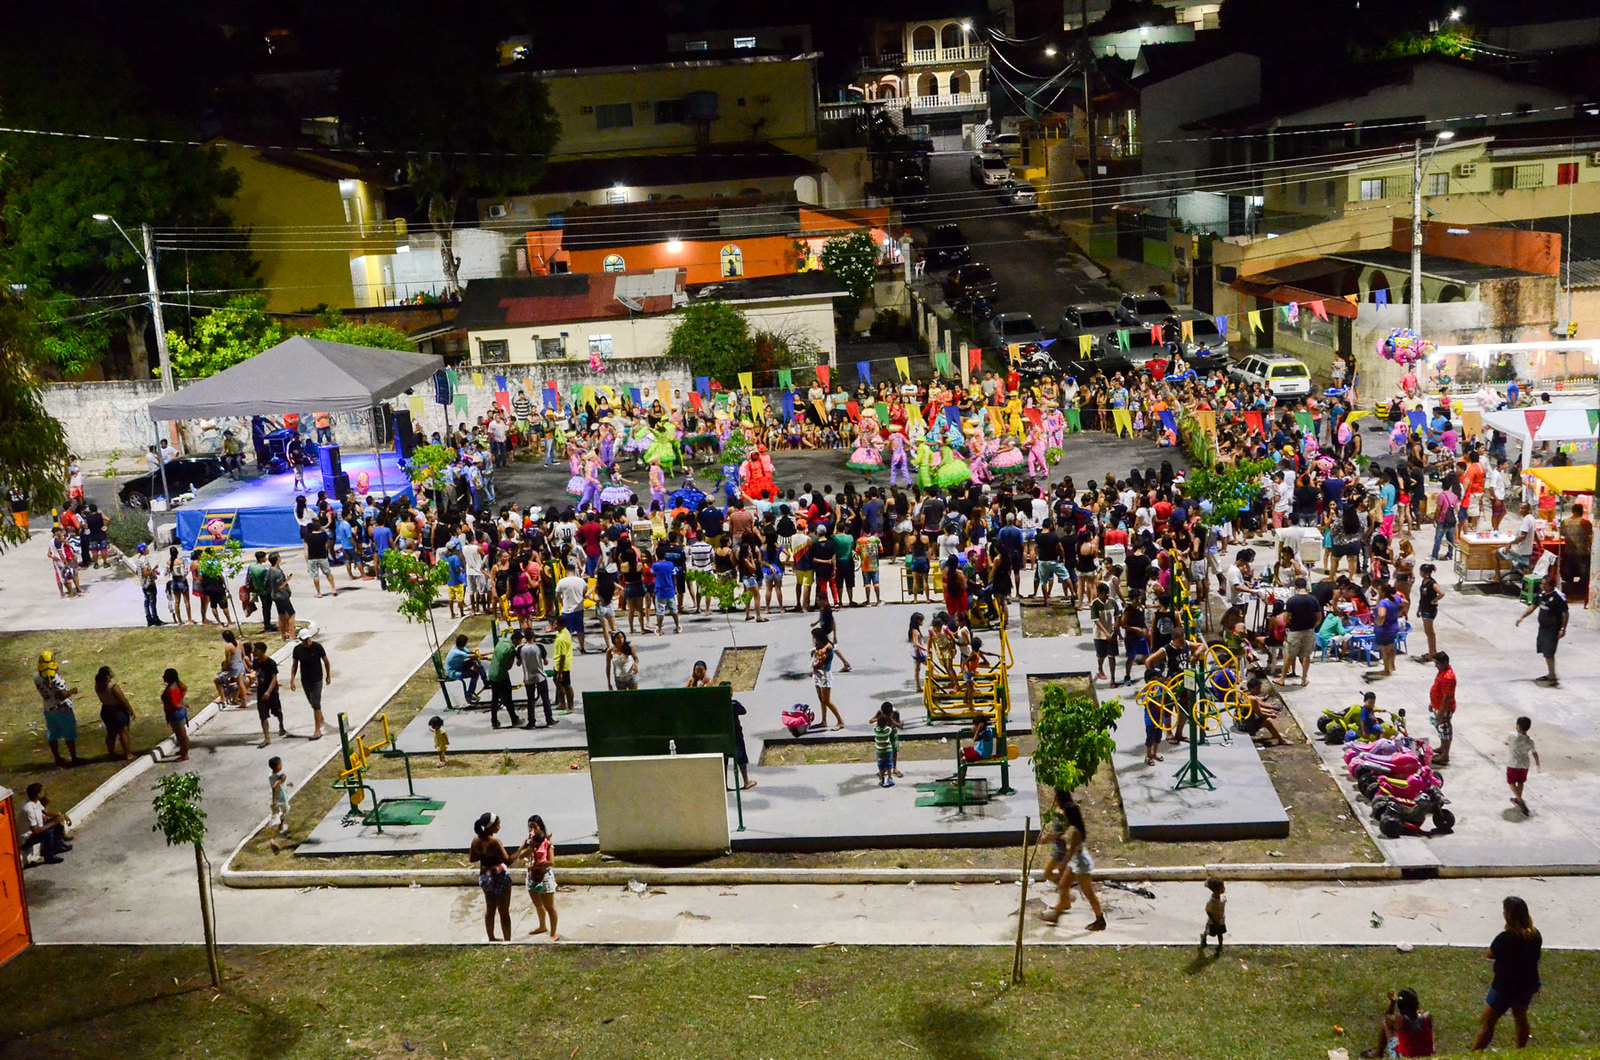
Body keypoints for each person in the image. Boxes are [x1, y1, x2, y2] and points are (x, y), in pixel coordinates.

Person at [1470, 896, 1542, 1051]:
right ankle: (1520, 1050)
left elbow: (1490, 954)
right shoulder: (1535, 935)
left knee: (1488, 1021)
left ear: (1508, 915)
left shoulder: (1505, 938)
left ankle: (1475, 1053)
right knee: (1520, 1017)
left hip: (1505, 986)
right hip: (1527, 984)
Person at [1040, 789, 1106, 931]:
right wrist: (1052, 836)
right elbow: (1064, 839)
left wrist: (1063, 864)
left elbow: (1070, 851)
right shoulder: (1072, 829)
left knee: (1089, 893)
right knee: (1063, 886)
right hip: (1075, 861)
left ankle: (1100, 919)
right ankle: (1056, 914)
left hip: (1080, 863)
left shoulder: (1075, 833)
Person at [1515, 571, 1568, 687]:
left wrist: (1563, 629)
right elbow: (1533, 606)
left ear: (1551, 585)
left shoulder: (1558, 597)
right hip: (1543, 628)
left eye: (1544, 584)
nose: (1541, 586)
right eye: (1541, 584)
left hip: (1553, 629)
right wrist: (1521, 618)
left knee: (1549, 652)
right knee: (1544, 650)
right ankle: (1551, 673)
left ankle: (1552, 675)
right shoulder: (1542, 594)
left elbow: (1565, 614)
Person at [468, 813, 515, 942]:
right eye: (498, 825)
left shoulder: (476, 840)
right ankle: (507, 941)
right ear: (491, 827)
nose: (499, 827)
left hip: (484, 877)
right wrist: (521, 849)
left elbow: (472, 858)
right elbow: (508, 860)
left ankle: (491, 937)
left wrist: (484, 854)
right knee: (504, 912)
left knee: (490, 909)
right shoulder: (495, 842)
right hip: (498, 878)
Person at [33, 651, 82, 768]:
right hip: (62, 709)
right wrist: (72, 691)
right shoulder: (54, 679)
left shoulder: (36, 676)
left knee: (53, 734)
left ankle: (57, 758)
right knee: (69, 734)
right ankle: (74, 758)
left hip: (48, 708)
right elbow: (62, 694)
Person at [514, 814, 559, 940]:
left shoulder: (547, 843)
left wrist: (538, 865)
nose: (531, 830)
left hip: (544, 877)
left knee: (549, 906)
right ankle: (542, 926)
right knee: (538, 904)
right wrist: (530, 847)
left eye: (534, 827)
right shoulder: (530, 841)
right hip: (531, 876)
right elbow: (520, 855)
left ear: (540, 826)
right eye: (529, 828)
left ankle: (553, 933)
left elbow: (551, 862)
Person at [1362, 988, 1436, 1059]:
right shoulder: (1427, 1017)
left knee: (1385, 1025)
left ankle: (1378, 1053)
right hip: (1428, 1056)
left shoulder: (1399, 1021)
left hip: (1406, 1057)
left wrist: (1392, 1002)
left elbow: (1387, 1018)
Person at [289, 628, 330, 740]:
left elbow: (326, 661)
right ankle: (320, 718)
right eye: (304, 640)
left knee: (316, 702)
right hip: (305, 680)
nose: (307, 642)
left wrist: (328, 675)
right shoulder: (297, 650)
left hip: (317, 679)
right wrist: (292, 680)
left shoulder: (317, 647)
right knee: (312, 702)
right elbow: (294, 665)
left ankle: (317, 730)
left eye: (308, 639)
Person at [1282, 577, 1321, 687]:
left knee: (1290, 655)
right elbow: (1319, 617)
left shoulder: (1292, 600)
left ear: (1296, 587)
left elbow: (1286, 618)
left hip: (1295, 631)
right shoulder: (1313, 600)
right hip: (1309, 631)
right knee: (1306, 656)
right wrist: (1313, 626)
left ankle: (1282, 678)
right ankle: (1304, 679)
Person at [19, 783, 70, 865]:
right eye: (41, 792)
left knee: (56, 823)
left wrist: (58, 815)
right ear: (38, 794)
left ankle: (57, 845)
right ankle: (49, 857)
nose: (43, 793)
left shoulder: (36, 802)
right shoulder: (29, 809)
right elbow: (35, 831)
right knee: (47, 833)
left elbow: (46, 812)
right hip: (27, 838)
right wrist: (53, 823)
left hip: (38, 829)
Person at [93, 666, 135, 761]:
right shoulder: (113, 687)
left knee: (111, 733)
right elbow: (123, 700)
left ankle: (111, 753)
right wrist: (131, 710)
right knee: (123, 732)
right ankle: (128, 754)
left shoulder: (98, 686)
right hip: (117, 710)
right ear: (108, 676)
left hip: (106, 710)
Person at [252, 641, 287, 746]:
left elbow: (274, 679)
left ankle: (281, 725)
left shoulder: (270, 663)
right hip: (260, 692)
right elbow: (257, 673)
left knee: (277, 711)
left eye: (255, 650)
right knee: (263, 715)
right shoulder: (256, 662)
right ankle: (267, 738)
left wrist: (268, 692)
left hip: (272, 692)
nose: (253, 652)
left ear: (261, 651)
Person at [486, 628, 521, 729]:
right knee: (508, 698)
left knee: (495, 698)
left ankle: (494, 720)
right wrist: (514, 656)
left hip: (492, 673)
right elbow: (508, 667)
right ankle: (514, 719)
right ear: (516, 640)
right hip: (501, 675)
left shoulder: (502, 641)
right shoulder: (510, 649)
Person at [1505, 716, 1540, 816]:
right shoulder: (1530, 740)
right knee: (1520, 782)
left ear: (1518, 727)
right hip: (1525, 765)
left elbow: (1507, 742)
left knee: (1511, 782)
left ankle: (1520, 800)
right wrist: (1538, 763)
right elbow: (1534, 753)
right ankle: (1517, 799)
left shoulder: (1512, 735)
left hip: (1513, 764)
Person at [810, 628, 843, 729]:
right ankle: (824, 721)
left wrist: (814, 662)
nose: (813, 640)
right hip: (817, 674)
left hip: (824, 675)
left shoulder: (827, 647)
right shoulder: (819, 646)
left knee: (826, 700)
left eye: (814, 638)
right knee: (821, 699)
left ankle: (840, 721)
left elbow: (821, 663)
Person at [1090, 583, 1121, 688]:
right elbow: (1096, 621)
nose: (1107, 596)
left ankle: (1112, 679)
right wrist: (1106, 633)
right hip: (1099, 635)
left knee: (1112, 656)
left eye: (1108, 593)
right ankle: (1100, 668)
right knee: (1101, 655)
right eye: (1104, 594)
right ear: (1099, 594)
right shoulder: (1094, 604)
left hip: (1112, 635)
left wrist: (1115, 631)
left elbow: (1117, 616)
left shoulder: (1112, 602)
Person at [1429, 652, 1456, 767]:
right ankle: (1442, 747)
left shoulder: (1448, 678)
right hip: (1437, 706)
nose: (1436, 666)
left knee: (1445, 730)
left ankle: (1445, 754)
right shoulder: (1442, 671)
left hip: (1443, 709)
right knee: (1440, 729)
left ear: (1445, 663)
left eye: (1437, 663)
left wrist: (1441, 712)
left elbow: (1447, 697)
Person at [555, 567, 589, 654]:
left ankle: (567, 648)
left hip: (566, 609)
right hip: (579, 608)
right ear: (575, 571)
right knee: (580, 629)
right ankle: (582, 647)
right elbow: (585, 592)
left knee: (567, 630)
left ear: (566, 572)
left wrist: (561, 602)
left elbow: (557, 595)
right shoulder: (581, 581)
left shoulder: (561, 582)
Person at [444, 633, 487, 702]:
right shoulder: (457, 652)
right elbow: (473, 656)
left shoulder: (458, 647)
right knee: (474, 674)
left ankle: (485, 680)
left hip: (459, 666)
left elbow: (472, 654)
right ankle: (469, 695)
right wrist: (490, 653)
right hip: (453, 672)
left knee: (476, 660)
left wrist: (475, 663)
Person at [161, 668, 192, 762]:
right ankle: (183, 750)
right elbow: (184, 688)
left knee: (181, 736)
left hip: (175, 714)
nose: (163, 677)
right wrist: (181, 700)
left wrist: (181, 704)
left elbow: (174, 704)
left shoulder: (170, 689)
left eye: (165, 675)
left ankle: (184, 754)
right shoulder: (178, 683)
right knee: (181, 735)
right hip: (178, 713)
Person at [263, 552, 295, 642]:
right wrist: (287, 580)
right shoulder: (278, 572)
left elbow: (266, 583)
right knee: (291, 614)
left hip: (274, 596)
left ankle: (283, 635)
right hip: (282, 595)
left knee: (281, 615)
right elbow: (280, 586)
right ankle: (292, 635)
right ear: (277, 560)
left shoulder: (269, 570)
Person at [650, 550, 681, 635]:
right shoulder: (670, 564)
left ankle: (659, 629)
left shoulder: (655, 565)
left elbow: (652, 573)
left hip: (660, 589)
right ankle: (677, 626)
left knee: (660, 610)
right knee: (673, 609)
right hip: (670, 588)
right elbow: (674, 575)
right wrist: (675, 587)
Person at [134, 543, 163, 625]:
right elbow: (146, 573)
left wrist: (153, 572)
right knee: (152, 602)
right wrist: (154, 569)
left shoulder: (139, 560)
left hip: (143, 584)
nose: (148, 549)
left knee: (147, 601)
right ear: (143, 550)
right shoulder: (144, 560)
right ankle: (155, 619)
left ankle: (149, 618)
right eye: (146, 548)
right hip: (149, 584)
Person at [552, 624, 575, 714]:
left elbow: (562, 656)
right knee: (558, 683)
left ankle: (570, 706)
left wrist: (560, 672)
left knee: (566, 685)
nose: (554, 625)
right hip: (558, 663)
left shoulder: (562, 638)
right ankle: (562, 703)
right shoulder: (563, 632)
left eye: (556, 624)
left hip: (563, 665)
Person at [267, 755, 292, 838]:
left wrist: (287, 784)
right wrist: (274, 800)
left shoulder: (270, 775)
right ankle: (279, 828)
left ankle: (280, 826)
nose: (281, 765)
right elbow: (275, 786)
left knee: (277, 813)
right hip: (281, 798)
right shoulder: (282, 776)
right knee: (284, 811)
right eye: (280, 764)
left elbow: (278, 784)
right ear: (278, 766)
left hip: (276, 797)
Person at [1200, 877, 1226, 956]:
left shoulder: (1223, 898)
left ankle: (1220, 945)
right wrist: (1213, 920)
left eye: (1223, 887)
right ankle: (1204, 938)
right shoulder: (1211, 902)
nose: (1223, 889)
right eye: (1220, 888)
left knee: (1220, 934)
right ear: (1214, 890)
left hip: (1221, 920)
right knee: (1208, 931)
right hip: (1212, 921)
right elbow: (1208, 911)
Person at [873, 708, 897, 787]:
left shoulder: (875, 730)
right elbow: (891, 727)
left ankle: (881, 778)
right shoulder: (887, 730)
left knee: (881, 765)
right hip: (888, 750)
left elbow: (876, 727)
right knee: (889, 764)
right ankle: (890, 778)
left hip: (879, 751)